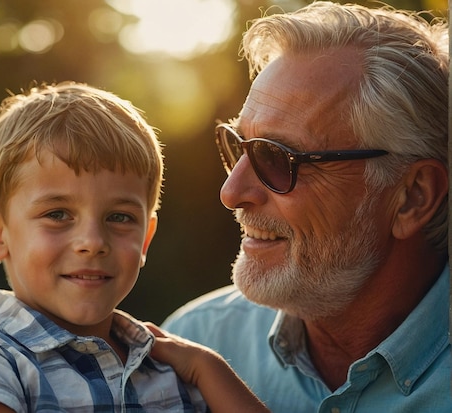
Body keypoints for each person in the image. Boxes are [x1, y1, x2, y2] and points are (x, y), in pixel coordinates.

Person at [162, 1, 451, 412]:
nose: (231, 192)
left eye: (277, 158)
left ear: (412, 197)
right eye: (237, 146)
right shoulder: (196, 342)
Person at [0, 81, 269, 413]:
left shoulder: (176, 368)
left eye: (119, 217)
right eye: (57, 214)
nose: (93, 242)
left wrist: (209, 368)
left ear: (145, 239)